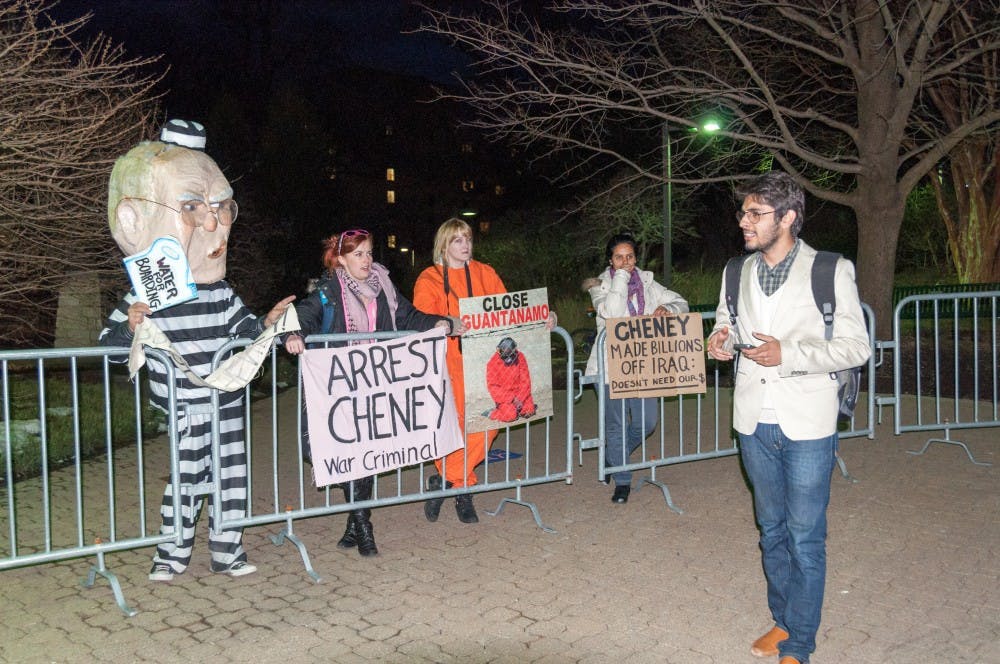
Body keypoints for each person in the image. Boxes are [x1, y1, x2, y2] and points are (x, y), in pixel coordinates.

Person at [99, 125, 296, 582]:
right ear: (134, 221)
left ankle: (228, 552)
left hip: (226, 405)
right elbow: (108, 352)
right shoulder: (144, 295)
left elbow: (244, 330)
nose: (214, 223)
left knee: (231, 480)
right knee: (186, 481)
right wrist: (131, 326)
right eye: (191, 207)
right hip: (185, 409)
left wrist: (267, 324)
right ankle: (171, 554)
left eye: (222, 206)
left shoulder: (222, 293)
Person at [706, 172, 870, 664]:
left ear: (789, 218)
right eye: (743, 213)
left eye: (755, 214)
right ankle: (783, 621)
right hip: (754, 420)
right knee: (772, 530)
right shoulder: (736, 271)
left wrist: (790, 354)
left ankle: (800, 642)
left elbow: (857, 347)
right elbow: (726, 323)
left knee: (805, 536)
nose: (744, 222)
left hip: (808, 424)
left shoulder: (830, 270)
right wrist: (721, 341)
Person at [284, 230, 459, 556]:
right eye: (358, 254)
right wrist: (294, 333)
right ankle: (363, 524)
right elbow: (304, 315)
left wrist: (437, 322)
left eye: (369, 253)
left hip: (375, 387)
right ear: (341, 259)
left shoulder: (384, 287)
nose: (367, 260)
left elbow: (409, 316)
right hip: (338, 391)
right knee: (345, 454)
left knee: (366, 455)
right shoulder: (328, 291)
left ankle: (358, 524)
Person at [413, 218, 556, 524]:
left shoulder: (485, 272)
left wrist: (544, 316)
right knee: (449, 429)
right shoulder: (429, 278)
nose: (465, 245)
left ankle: (446, 483)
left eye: (467, 239)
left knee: (487, 425)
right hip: (445, 365)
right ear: (444, 245)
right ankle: (464, 491)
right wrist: (445, 321)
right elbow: (423, 318)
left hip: (483, 365)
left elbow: (508, 311)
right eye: (457, 240)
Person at [582, 232, 688, 504]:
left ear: (636, 257)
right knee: (615, 426)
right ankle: (622, 481)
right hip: (608, 367)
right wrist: (621, 277)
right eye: (619, 257)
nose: (626, 261)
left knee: (646, 422)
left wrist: (667, 307)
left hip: (644, 365)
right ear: (611, 260)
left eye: (629, 256)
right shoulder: (599, 286)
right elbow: (613, 313)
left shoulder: (650, 283)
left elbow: (681, 303)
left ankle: (613, 458)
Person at [484, 336, 536, 422]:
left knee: (529, 411)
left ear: (514, 351)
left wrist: (520, 399)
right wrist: (512, 399)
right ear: (499, 350)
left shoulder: (520, 357)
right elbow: (493, 387)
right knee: (511, 416)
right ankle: (492, 413)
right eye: (504, 353)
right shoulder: (492, 363)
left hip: (520, 393)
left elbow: (526, 380)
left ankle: (519, 409)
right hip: (504, 397)